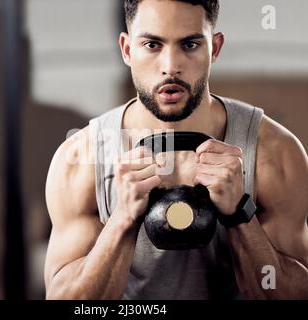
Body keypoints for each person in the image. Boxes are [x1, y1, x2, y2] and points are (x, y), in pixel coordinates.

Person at [44, 0, 308, 299]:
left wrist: (239, 214)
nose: (170, 67)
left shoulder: (275, 151)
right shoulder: (80, 159)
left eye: (191, 44)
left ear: (215, 48)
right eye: (152, 45)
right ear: (127, 49)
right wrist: (122, 219)